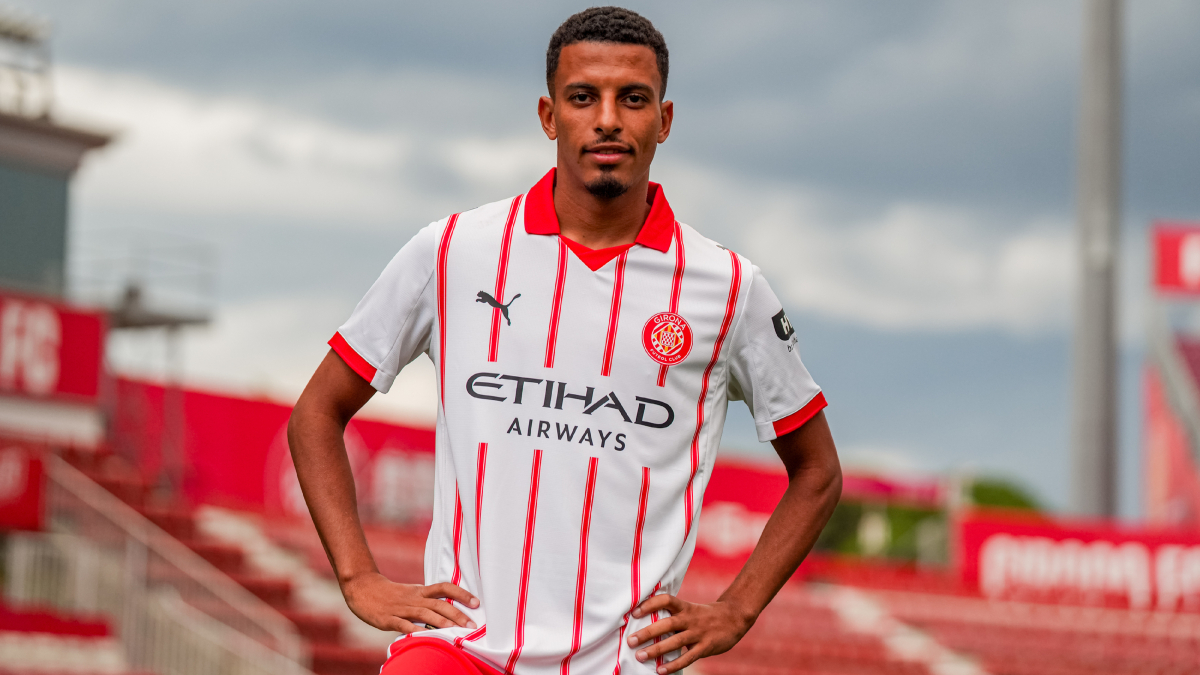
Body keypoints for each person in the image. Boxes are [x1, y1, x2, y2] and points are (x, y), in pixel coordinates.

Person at [288, 7, 841, 675]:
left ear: (663, 120)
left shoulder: (728, 287)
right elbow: (317, 412)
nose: (608, 118)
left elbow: (817, 471)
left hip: (624, 663)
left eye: (632, 99)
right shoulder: (455, 250)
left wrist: (737, 609)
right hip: (464, 649)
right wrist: (358, 578)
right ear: (550, 116)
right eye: (584, 97)